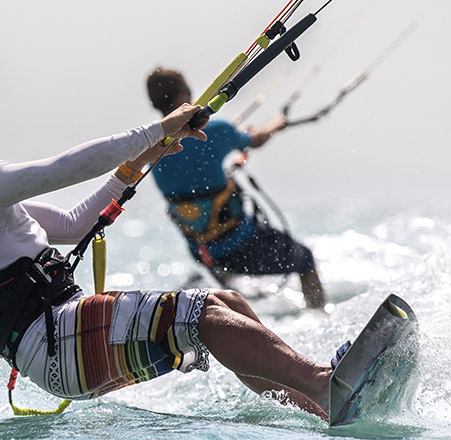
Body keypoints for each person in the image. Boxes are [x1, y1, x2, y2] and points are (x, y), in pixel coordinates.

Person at [0, 104, 344, 420]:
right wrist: (155, 130)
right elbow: (65, 169)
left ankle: (320, 409)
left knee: (228, 304)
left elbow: (75, 225)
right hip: (57, 340)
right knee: (204, 315)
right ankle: (324, 383)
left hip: (58, 348)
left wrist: (137, 162)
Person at [145, 67, 326, 309]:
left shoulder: (150, 146)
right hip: (241, 245)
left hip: (203, 253)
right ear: (181, 98)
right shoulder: (215, 131)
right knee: (305, 259)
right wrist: (277, 123)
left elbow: (194, 171)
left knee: (227, 281)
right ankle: (318, 319)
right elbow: (257, 139)